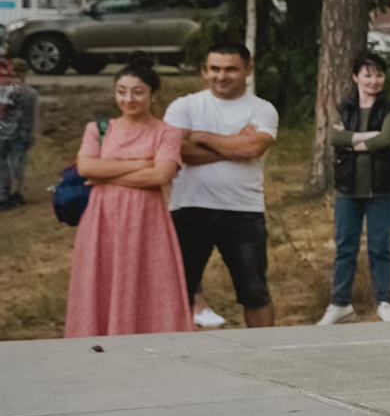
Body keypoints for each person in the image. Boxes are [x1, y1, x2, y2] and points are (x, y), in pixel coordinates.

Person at [64, 61, 192, 336]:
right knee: (101, 276)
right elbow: (86, 168)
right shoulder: (97, 129)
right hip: (102, 218)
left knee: (147, 277)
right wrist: (141, 164)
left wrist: (106, 174)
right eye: (121, 91)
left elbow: (161, 176)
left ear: (153, 94)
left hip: (146, 219)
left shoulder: (166, 132)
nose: (128, 99)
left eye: (137, 92)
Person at [164, 40, 278, 329]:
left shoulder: (262, 109)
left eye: (230, 69)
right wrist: (233, 145)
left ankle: (265, 354)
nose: (221, 76)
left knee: (254, 292)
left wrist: (200, 136)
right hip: (188, 207)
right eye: (214, 69)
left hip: (242, 209)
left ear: (248, 70)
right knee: (180, 291)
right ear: (204, 71)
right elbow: (175, 152)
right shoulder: (184, 106)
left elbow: (252, 150)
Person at [321, 52, 390, 324]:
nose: (374, 80)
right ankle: (340, 303)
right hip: (348, 189)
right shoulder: (344, 108)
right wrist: (369, 137)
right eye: (367, 75)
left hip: (383, 189)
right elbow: (334, 137)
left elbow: (388, 138)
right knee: (345, 246)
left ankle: (384, 302)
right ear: (356, 77)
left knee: (380, 247)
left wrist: (352, 140)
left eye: (379, 74)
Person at [0, 54, 36, 208]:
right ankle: (15, 193)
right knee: (17, 164)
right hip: (22, 132)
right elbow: (32, 116)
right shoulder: (30, 93)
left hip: (5, 133)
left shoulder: (6, 90)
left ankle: (4, 194)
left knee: (4, 164)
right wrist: (32, 133)